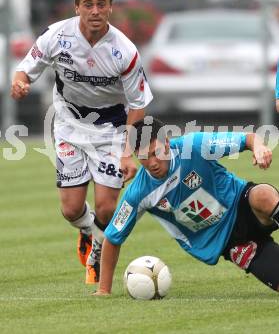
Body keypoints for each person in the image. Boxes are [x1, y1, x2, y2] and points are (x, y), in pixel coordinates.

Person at [10, 0, 153, 284]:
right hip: (69, 124)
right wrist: (20, 82)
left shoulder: (124, 51)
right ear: (77, 8)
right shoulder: (57, 36)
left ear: (111, 8)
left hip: (112, 129)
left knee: (106, 205)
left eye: (101, 4)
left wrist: (128, 152)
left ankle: (99, 254)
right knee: (71, 209)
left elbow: (138, 104)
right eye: (88, 4)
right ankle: (88, 231)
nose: (95, 11)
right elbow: (26, 67)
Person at [95, 117, 279, 295]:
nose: (152, 163)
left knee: (263, 195)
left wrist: (259, 147)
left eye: (156, 152)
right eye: (143, 157)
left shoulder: (195, 145)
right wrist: (104, 290)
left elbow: (248, 139)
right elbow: (113, 237)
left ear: (166, 142)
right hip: (227, 241)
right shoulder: (138, 193)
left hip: (241, 203)